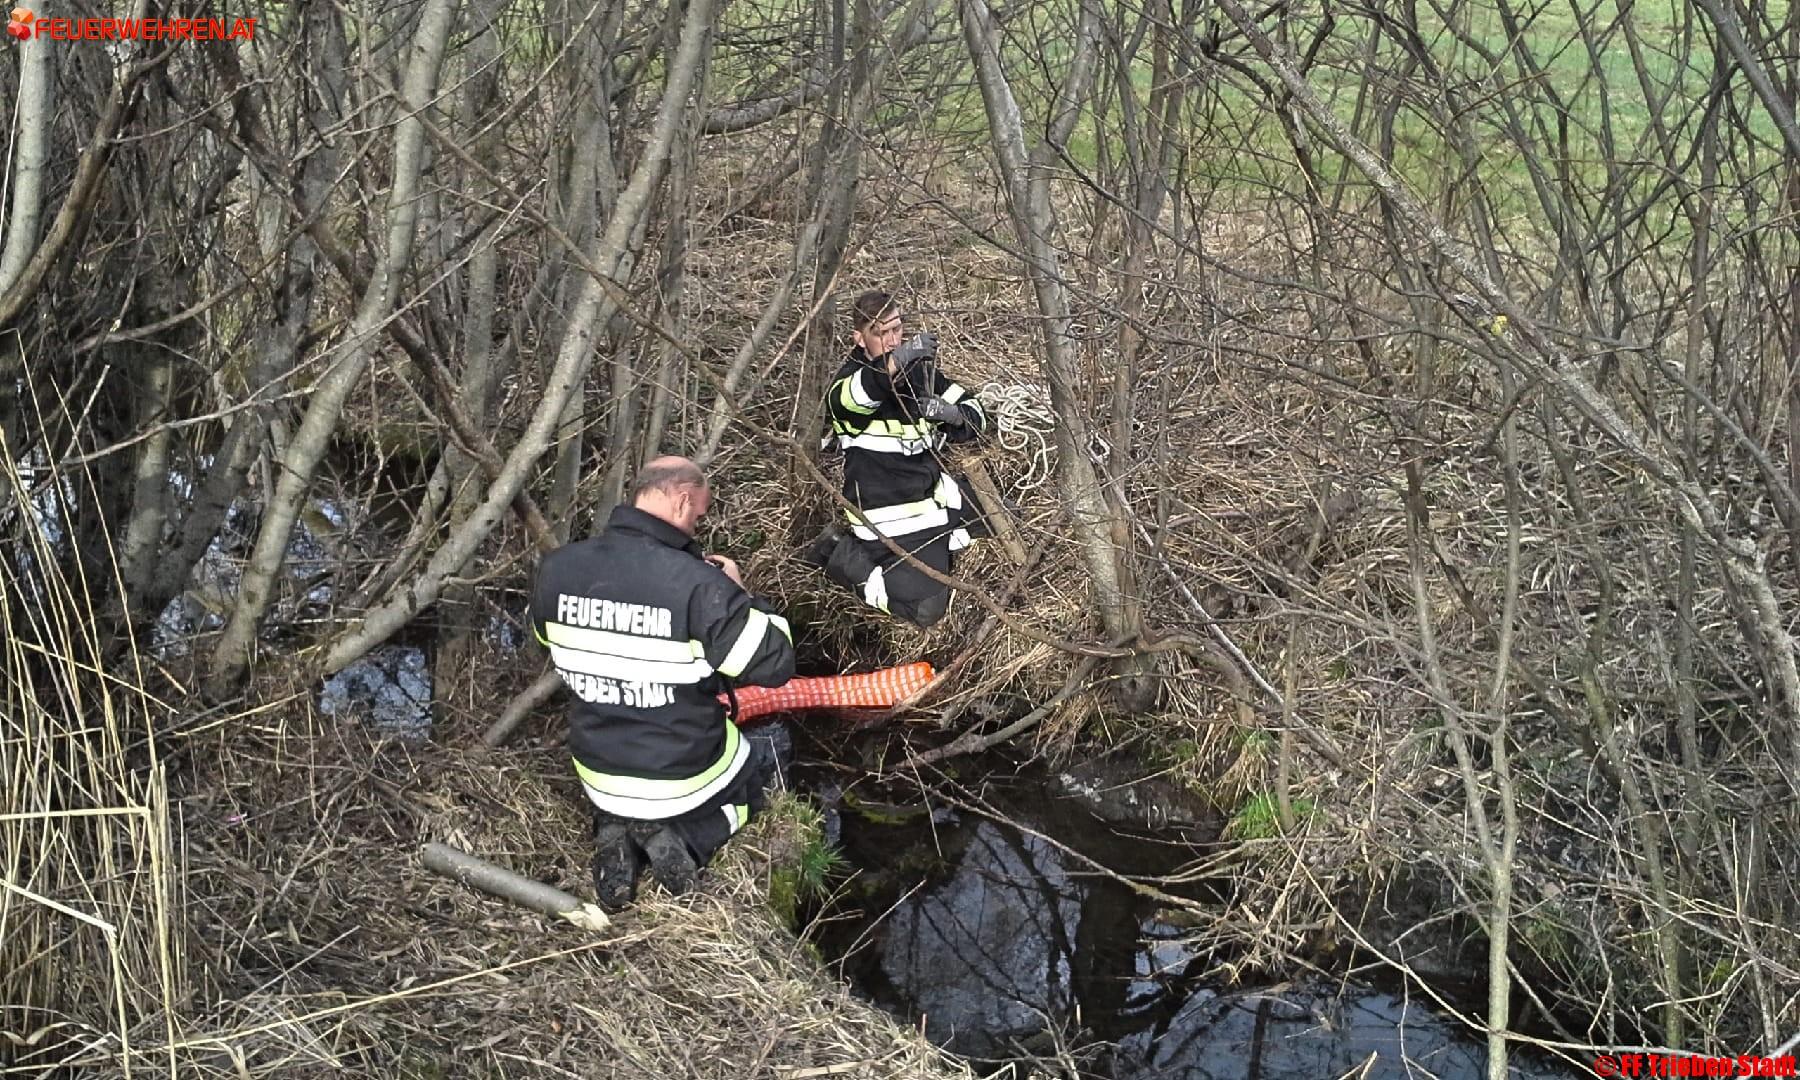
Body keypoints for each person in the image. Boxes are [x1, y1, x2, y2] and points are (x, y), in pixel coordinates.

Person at [529, 456, 796, 910]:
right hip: (680, 776)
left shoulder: (557, 569)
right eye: (698, 514)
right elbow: (775, 664)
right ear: (682, 499)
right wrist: (744, 596)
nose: (697, 524)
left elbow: (544, 640)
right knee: (757, 780)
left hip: (597, 771)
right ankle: (688, 838)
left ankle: (615, 829)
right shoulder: (698, 586)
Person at [806, 290, 991, 628]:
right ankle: (838, 554)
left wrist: (952, 415)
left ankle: (948, 543)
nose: (892, 341)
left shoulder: (920, 375)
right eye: (881, 334)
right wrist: (901, 358)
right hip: (892, 522)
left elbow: (978, 414)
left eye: (897, 330)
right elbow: (863, 392)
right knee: (926, 609)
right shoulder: (849, 383)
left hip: (936, 498)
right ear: (860, 339)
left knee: (1005, 516)